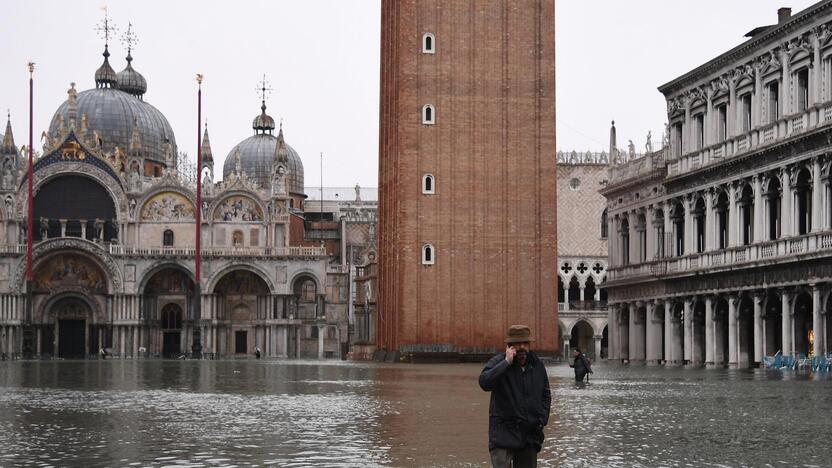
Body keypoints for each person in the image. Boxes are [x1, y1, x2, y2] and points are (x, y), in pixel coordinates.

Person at [479, 325, 551, 468]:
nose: (522, 347)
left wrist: (542, 419)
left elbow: (546, 394)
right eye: (518, 344)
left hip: (529, 434)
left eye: (525, 343)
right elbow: (484, 382)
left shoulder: (538, 365)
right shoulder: (498, 362)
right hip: (502, 435)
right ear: (510, 346)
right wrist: (506, 363)